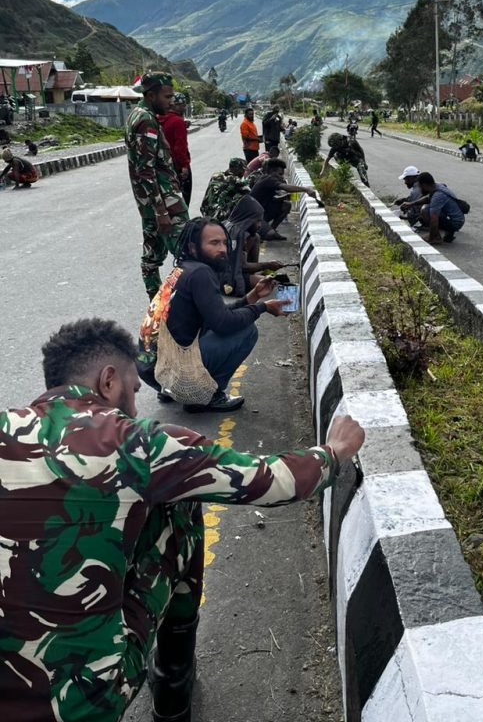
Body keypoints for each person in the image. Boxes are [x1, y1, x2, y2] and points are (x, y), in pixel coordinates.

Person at [0, 317, 364, 722]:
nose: (137, 407)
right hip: (82, 701)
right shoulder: (134, 442)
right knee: (179, 506)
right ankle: (173, 686)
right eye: (134, 391)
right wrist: (333, 451)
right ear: (108, 382)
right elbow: (268, 481)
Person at [138, 217, 287, 412]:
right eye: (214, 243)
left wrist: (252, 297)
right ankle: (205, 396)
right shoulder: (201, 273)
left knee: (221, 325)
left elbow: (216, 314)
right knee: (247, 331)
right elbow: (223, 323)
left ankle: (172, 390)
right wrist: (263, 308)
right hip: (168, 368)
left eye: (224, 243)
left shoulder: (184, 269)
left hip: (151, 370)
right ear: (193, 247)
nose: (223, 249)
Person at [125, 72, 189, 298]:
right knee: (188, 254)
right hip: (165, 202)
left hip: (151, 202)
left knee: (152, 255)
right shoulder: (146, 121)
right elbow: (146, 170)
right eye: (167, 97)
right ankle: (188, 308)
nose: (171, 102)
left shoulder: (138, 114)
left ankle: (156, 307)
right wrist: (161, 211)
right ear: (151, 95)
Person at [225, 194, 284, 296]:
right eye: (257, 221)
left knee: (255, 237)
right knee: (271, 283)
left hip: (238, 272)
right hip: (228, 278)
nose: (260, 225)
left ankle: (252, 276)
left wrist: (262, 268)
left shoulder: (242, 231)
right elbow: (242, 266)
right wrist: (268, 265)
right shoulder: (237, 234)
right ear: (248, 219)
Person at [250, 159, 318, 239]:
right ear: (272, 171)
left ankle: (271, 229)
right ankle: (263, 231)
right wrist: (306, 189)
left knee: (286, 205)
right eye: (280, 174)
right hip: (253, 216)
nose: (281, 177)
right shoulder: (268, 179)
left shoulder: (268, 179)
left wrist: (290, 196)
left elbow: (278, 196)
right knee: (270, 235)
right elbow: (286, 188)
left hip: (262, 212)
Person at [158, 92, 192, 206]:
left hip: (163, 165)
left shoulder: (159, 118)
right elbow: (180, 146)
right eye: (182, 105)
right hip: (177, 166)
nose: (184, 107)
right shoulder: (177, 121)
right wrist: (184, 165)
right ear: (174, 105)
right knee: (183, 200)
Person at [416, 171, 465, 244]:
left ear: (424, 185)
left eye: (420, 186)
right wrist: (411, 204)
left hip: (455, 222)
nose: (419, 189)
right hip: (457, 219)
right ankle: (445, 233)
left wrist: (431, 237)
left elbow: (434, 219)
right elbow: (427, 198)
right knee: (428, 207)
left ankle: (436, 237)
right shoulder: (438, 186)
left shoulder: (438, 196)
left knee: (425, 210)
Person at [200, 158, 250, 222]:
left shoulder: (216, 175)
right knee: (241, 198)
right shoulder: (235, 180)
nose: (243, 173)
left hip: (205, 210)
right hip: (218, 215)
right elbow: (249, 191)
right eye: (243, 170)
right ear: (238, 170)